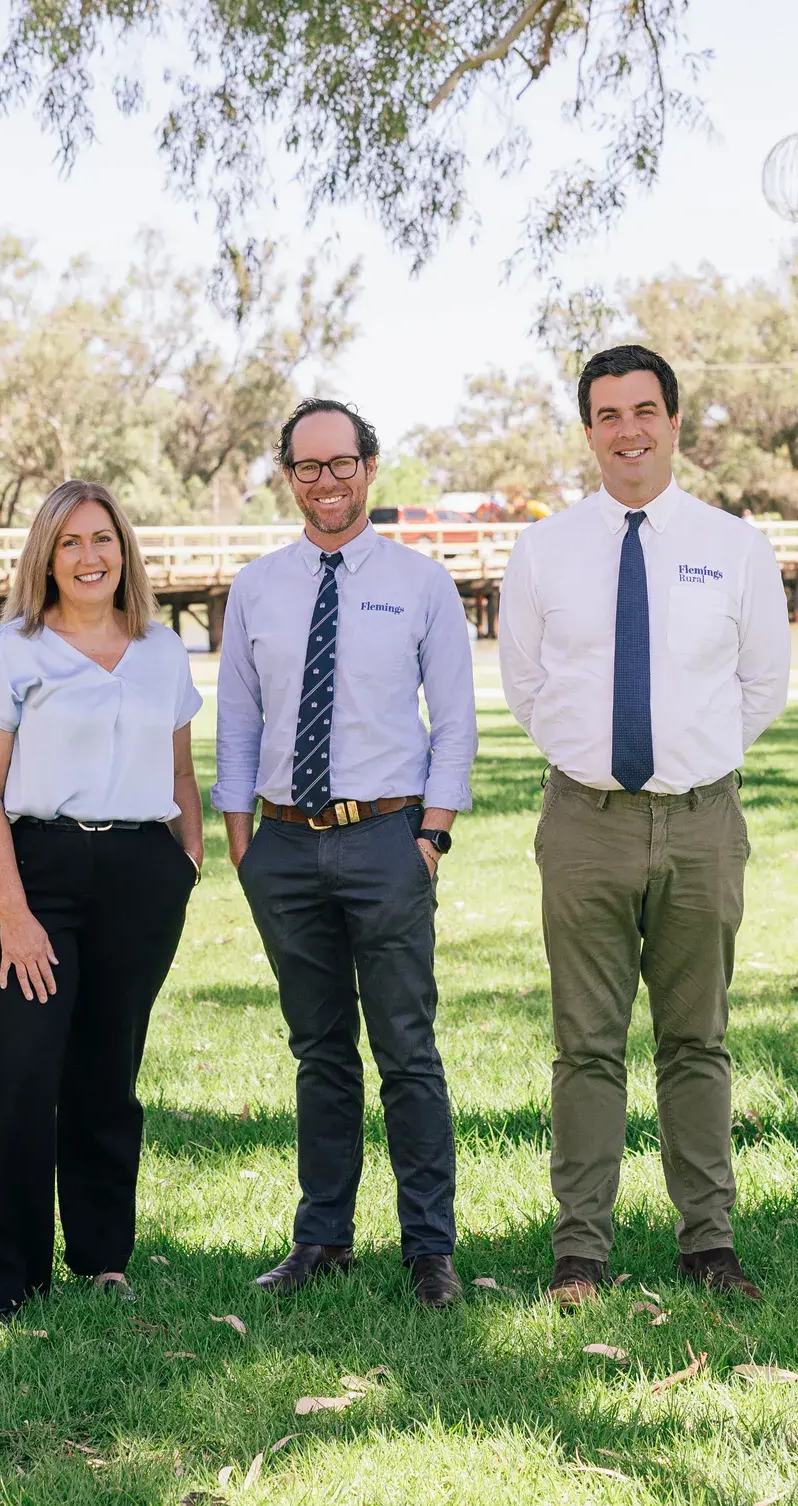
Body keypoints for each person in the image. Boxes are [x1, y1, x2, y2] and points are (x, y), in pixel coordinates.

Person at [498, 343, 791, 1309]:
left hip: (703, 825)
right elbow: (529, 688)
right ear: (589, 431)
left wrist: (690, 763)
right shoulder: (544, 550)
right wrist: (603, 769)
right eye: (608, 414)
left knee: (695, 1039)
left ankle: (708, 1240)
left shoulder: (735, 547)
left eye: (645, 410)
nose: (629, 429)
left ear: (674, 420)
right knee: (585, 1045)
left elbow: (761, 686)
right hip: (584, 824)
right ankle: (579, 1251)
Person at [214, 397, 478, 1310]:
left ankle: (428, 1251)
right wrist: (244, 844)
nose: (325, 481)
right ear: (289, 476)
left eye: (341, 463)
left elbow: (456, 722)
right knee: (319, 1051)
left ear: (369, 466)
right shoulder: (256, 587)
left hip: (389, 841)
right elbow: (238, 721)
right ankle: (322, 1238)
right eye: (306, 467)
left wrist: (432, 837)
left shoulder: (420, 583)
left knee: (406, 1048)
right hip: (284, 848)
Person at [0, 480, 204, 1326]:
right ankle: (3, 1276)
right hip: (38, 869)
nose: (90, 556)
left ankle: (102, 1256)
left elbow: (179, 773)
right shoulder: (16, 650)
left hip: (140, 872)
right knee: (23, 1070)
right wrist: (15, 914)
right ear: (46, 557)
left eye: (103, 539)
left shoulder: (163, 652)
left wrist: (185, 864)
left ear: (124, 550)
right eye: (70, 543)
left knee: (109, 1070)